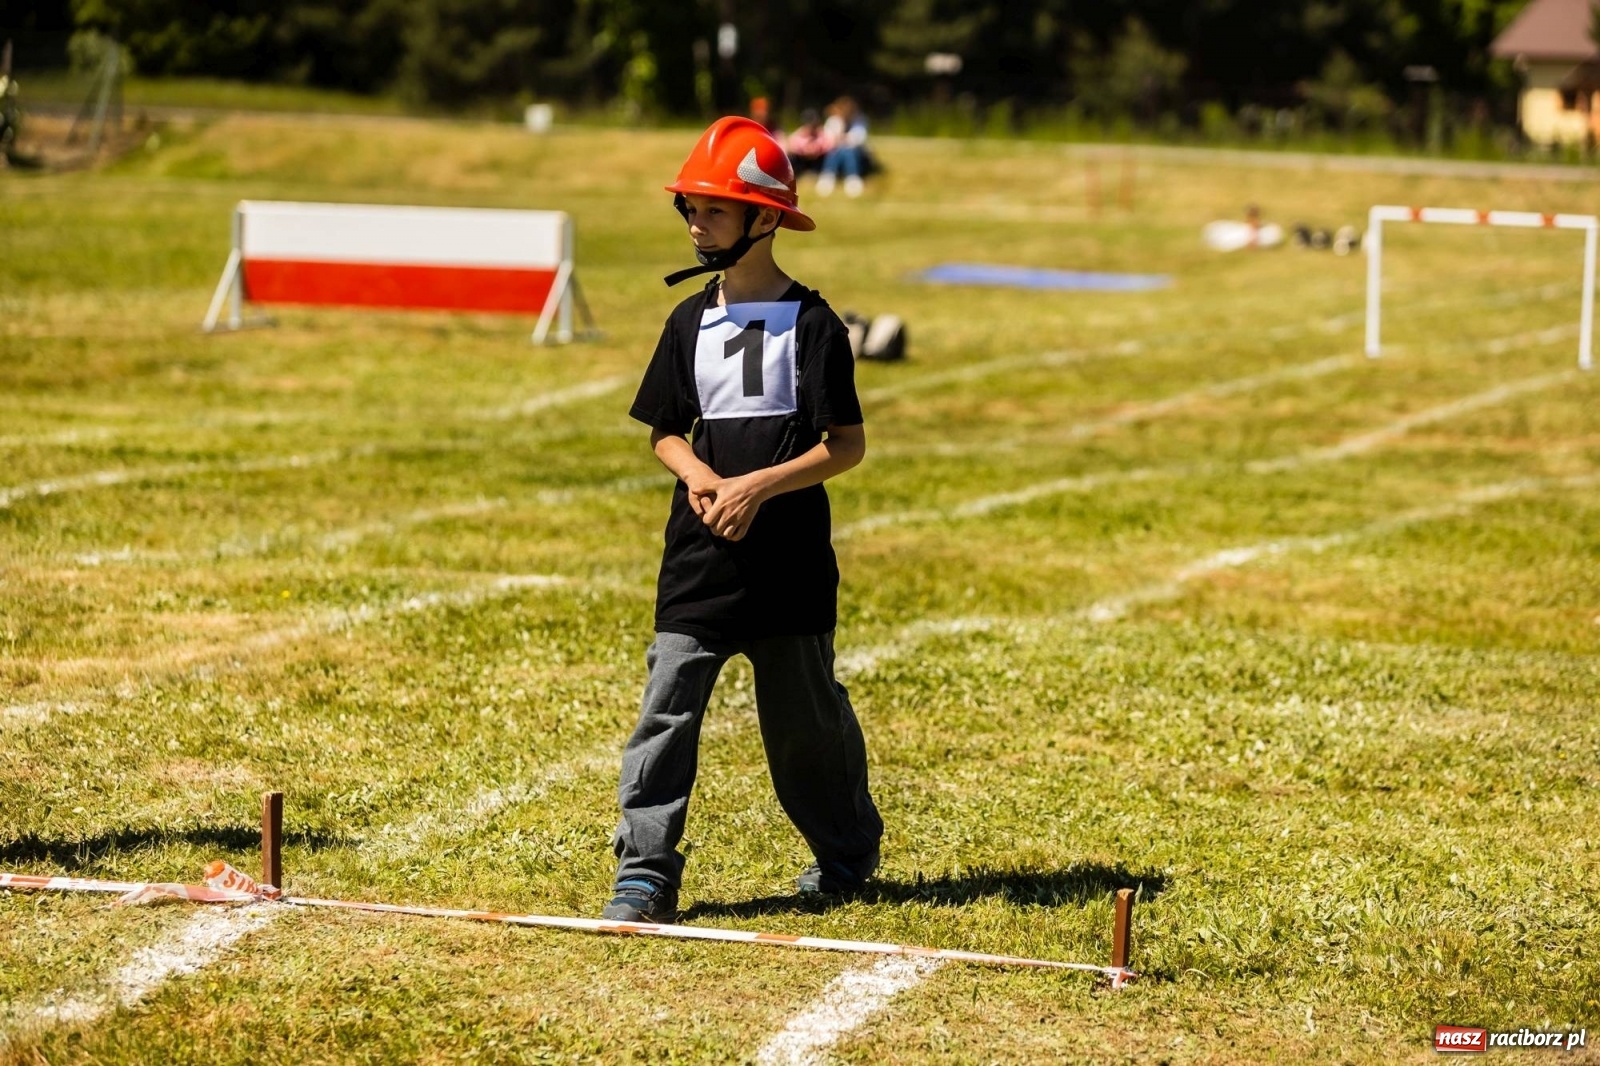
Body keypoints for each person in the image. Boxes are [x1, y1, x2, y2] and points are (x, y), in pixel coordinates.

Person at [603, 116, 884, 924]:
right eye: (689, 209)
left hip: (788, 564)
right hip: (700, 559)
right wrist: (700, 475)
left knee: (805, 727)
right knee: (667, 710)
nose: (696, 225)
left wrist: (758, 487)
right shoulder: (687, 321)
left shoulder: (816, 325)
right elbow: (664, 430)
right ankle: (645, 872)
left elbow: (846, 446)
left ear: (764, 218)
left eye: (713, 210)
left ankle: (846, 855)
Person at [816, 96, 870, 198]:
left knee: (848, 150)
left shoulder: (860, 120)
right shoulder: (833, 120)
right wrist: (841, 124)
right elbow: (829, 139)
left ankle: (851, 177)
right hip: (835, 152)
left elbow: (858, 139)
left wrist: (842, 138)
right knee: (835, 150)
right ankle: (829, 176)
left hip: (856, 154)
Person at [786, 108, 833, 178]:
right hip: (802, 160)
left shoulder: (821, 133)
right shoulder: (799, 134)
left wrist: (818, 149)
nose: (811, 128)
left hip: (818, 160)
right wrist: (804, 150)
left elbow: (830, 145)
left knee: (830, 156)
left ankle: (827, 173)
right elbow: (790, 146)